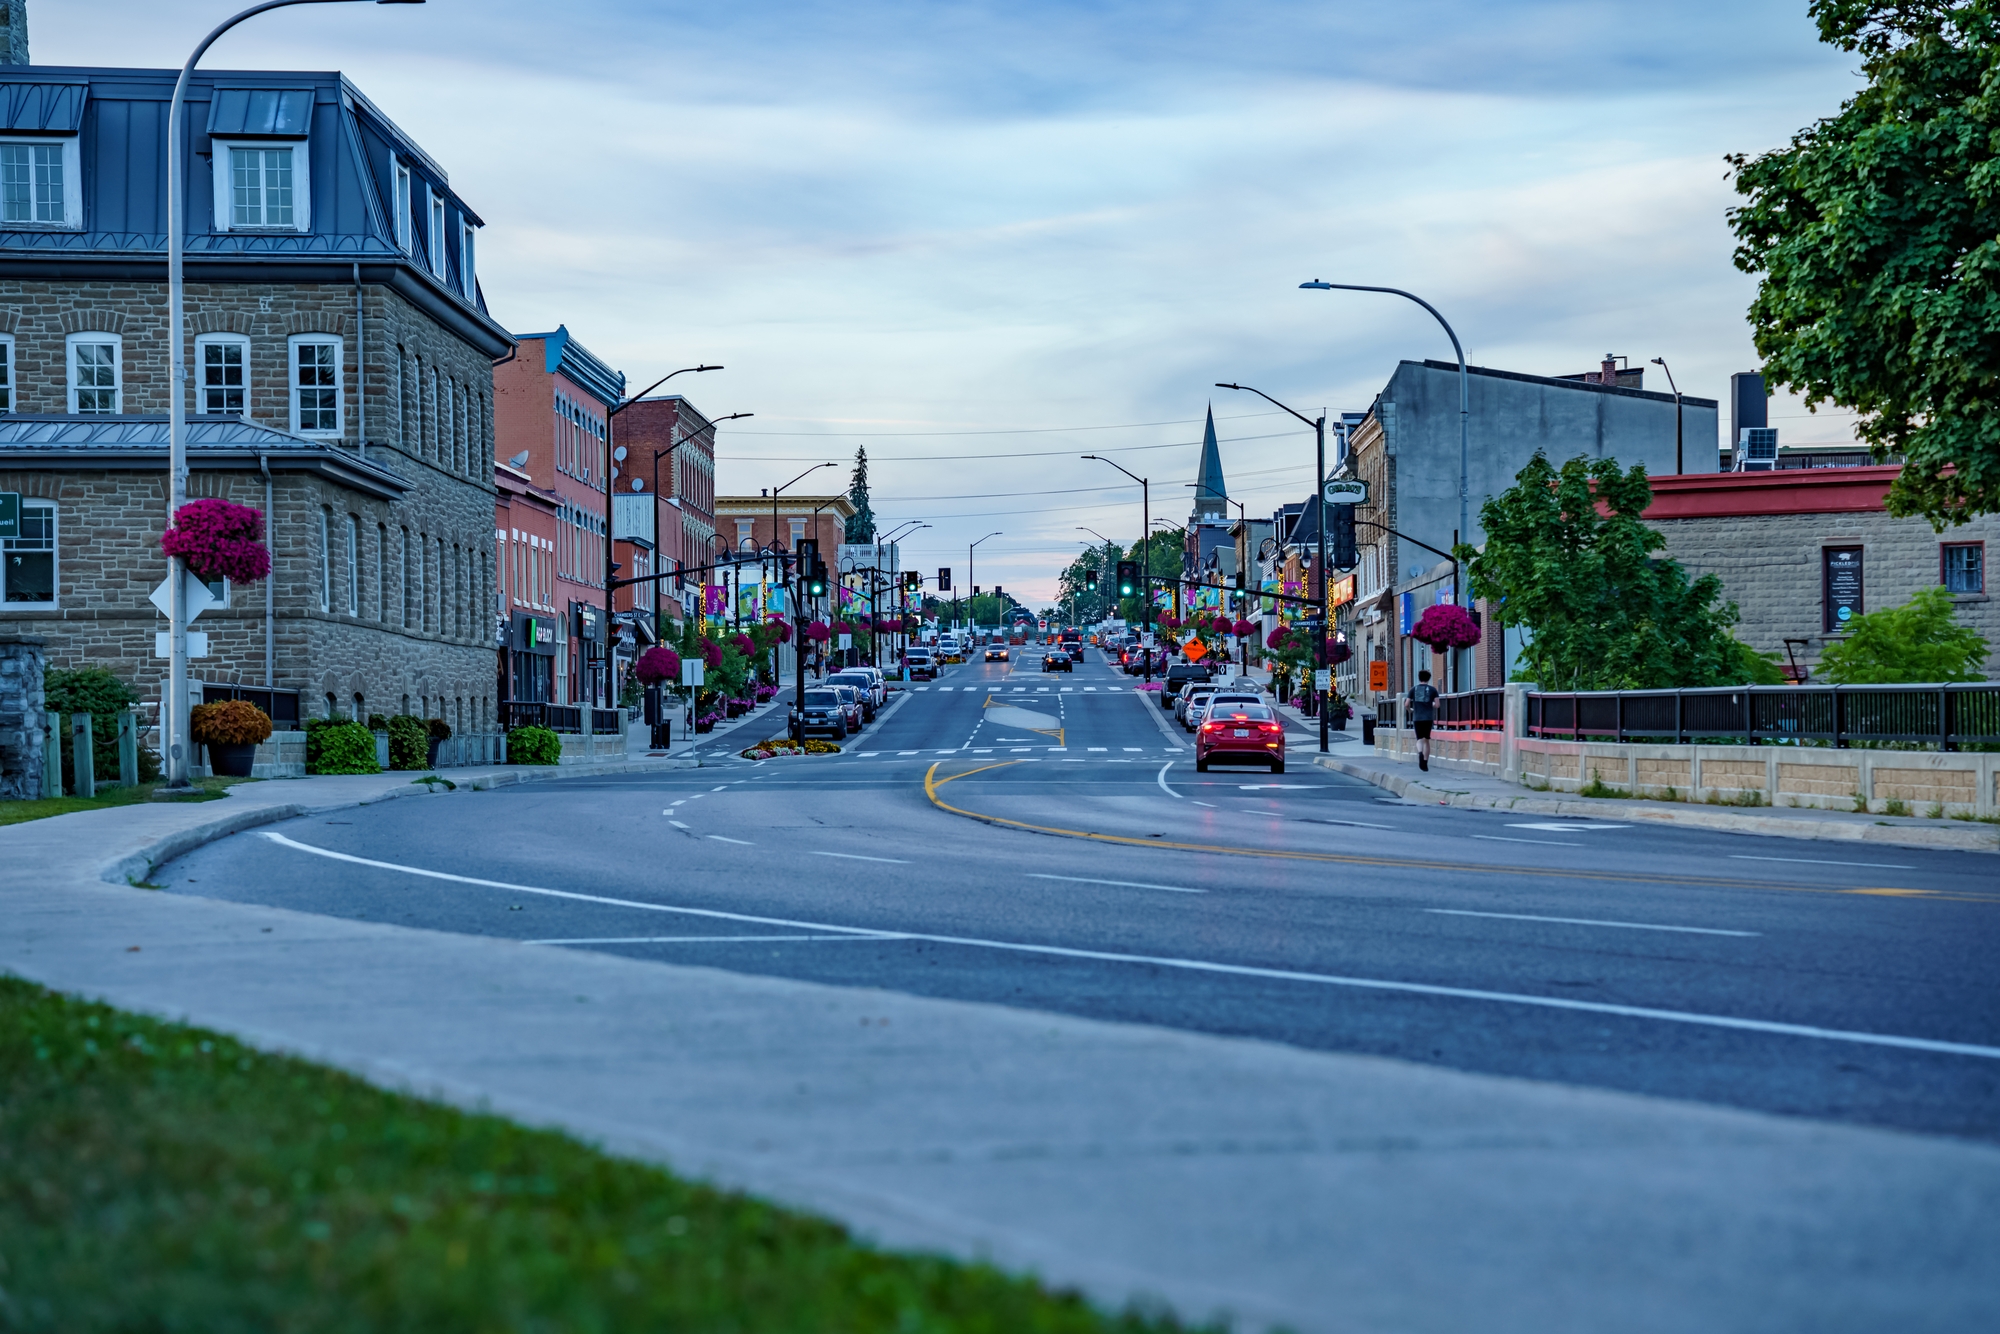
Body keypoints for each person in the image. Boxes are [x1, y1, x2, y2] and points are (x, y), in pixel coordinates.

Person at [1406, 669, 1440, 771]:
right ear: (1429, 679)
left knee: (1419, 739)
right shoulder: (1433, 690)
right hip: (1428, 718)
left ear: (1419, 678)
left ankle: (1420, 752)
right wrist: (1431, 704)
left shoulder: (1413, 689)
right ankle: (1425, 762)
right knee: (1426, 740)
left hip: (1417, 718)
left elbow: (1406, 704)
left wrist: (1410, 710)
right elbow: (1437, 705)